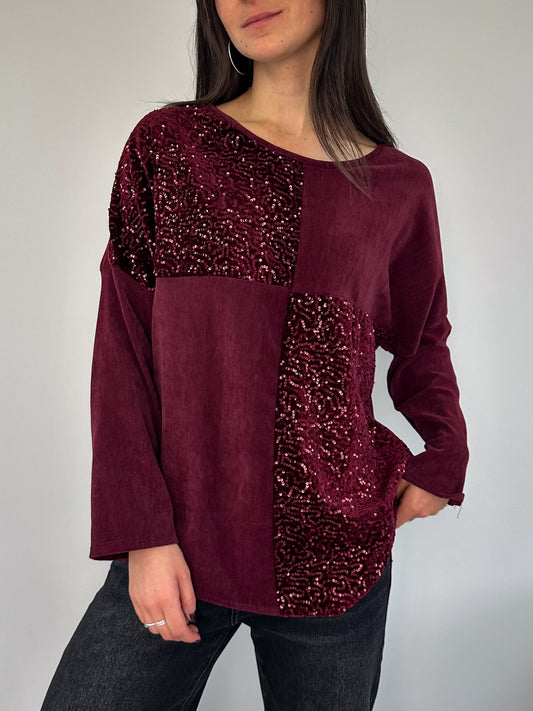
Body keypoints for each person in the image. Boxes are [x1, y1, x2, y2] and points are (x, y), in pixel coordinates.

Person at [40, 1, 469, 709]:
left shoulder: (399, 185)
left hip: (332, 555)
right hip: (180, 544)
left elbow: (422, 338)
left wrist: (444, 457)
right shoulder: (171, 146)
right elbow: (123, 344)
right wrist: (142, 534)